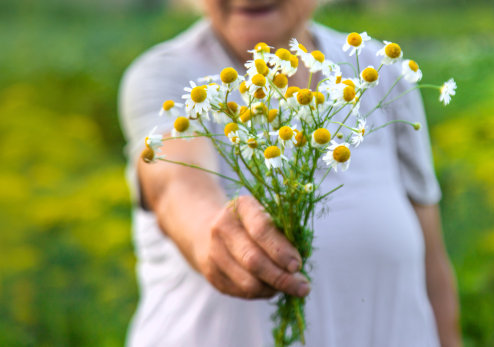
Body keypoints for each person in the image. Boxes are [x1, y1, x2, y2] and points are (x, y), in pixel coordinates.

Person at [119, 0, 461, 346]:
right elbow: (175, 185)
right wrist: (213, 233)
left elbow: (432, 269)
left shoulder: (382, 73)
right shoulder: (168, 77)